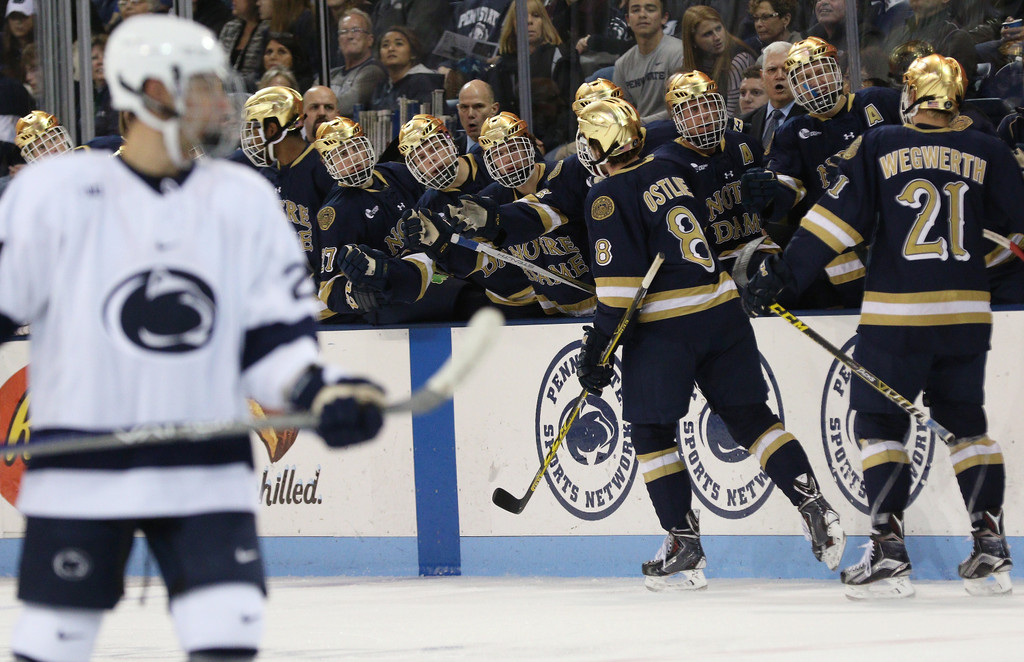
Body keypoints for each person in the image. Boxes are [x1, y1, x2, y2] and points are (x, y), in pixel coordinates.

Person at [0, 15, 385, 662]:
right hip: (82, 466)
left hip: (204, 467)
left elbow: (273, 338)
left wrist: (321, 390)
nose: (218, 98)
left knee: (226, 634)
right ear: (147, 90)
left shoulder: (241, 199)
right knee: (53, 643)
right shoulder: (53, 192)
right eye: (201, 84)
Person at [742, 54, 1021, 599]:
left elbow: (831, 222)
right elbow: (1016, 236)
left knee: (876, 424)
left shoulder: (882, 143)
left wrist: (784, 277)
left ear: (910, 95)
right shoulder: (988, 149)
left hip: (898, 313)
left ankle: (888, 551)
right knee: (967, 424)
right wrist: (973, 273)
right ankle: (991, 548)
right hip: (967, 313)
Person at [574, 96, 844, 591]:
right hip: (722, 311)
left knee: (652, 432)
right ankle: (813, 502)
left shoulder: (605, 196)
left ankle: (683, 541)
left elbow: (617, 296)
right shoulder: (672, 173)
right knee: (750, 418)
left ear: (598, 145)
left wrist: (598, 352)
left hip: (667, 328)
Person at [744, 37, 902, 307]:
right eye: (804, 76)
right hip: (842, 247)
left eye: (819, 72)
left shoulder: (879, 101)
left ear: (837, 70)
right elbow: (786, 189)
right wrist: (768, 194)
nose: (814, 82)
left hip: (899, 229)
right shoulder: (792, 131)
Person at [240, 85, 336, 278]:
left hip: (324, 287)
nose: (250, 139)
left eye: (256, 127)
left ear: (273, 129)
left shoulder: (324, 167)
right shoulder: (266, 174)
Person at [612, 0, 684, 124]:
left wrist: (640, 123)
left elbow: (685, 108)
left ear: (664, 18)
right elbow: (621, 112)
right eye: (635, 10)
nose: (642, 15)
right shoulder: (622, 64)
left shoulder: (679, 52)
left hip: (674, 131)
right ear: (628, 20)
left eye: (650, 9)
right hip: (637, 136)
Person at [681, 5, 757, 117]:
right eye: (707, 34)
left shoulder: (738, 60)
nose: (717, 37)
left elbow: (733, 116)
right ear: (693, 41)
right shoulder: (692, 63)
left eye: (718, 28)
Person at [738, 40, 805, 145]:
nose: (779, 76)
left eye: (786, 70)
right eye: (772, 70)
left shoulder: (812, 119)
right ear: (762, 77)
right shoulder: (746, 122)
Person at [370, 26, 445, 113]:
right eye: (385, 45)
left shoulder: (424, 82)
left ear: (413, 53)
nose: (391, 49)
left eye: (399, 44)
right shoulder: (381, 87)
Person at [329, 8, 388, 117]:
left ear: (370, 40)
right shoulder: (330, 75)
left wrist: (318, 107)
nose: (350, 36)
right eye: (344, 32)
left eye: (356, 30)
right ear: (338, 40)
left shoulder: (373, 71)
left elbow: (347, 106)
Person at [218, 0, 270, 91]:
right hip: (225, 91)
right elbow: (218, 65)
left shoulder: (267, 29)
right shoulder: (230, 28)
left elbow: (260, 74)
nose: (233, 1)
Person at [455, 79, 500, 154]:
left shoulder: (510, 150)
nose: (470, 114)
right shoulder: (451, 152)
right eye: (464, 107)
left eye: (478, 106)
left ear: (494, 109)